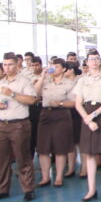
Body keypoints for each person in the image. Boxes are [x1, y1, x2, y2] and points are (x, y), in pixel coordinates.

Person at [0, 52, 38, 202]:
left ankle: (28, 189)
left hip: (19, 124)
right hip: (1, 124)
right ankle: (2, 189)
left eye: (10, 65)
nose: (7, 68)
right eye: (5, 65)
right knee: (2, 159)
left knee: (23, 158)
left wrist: (12, 94)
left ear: (17, 65)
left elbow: (32, 100)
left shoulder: (24, 81)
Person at [73, 52, 101, 202]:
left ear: (100, 62)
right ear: (86, 62)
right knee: (89, 154)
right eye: (90, 59)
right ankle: (91, 190)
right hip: (86, 115)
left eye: (96, 59)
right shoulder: (82, 80)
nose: (93, 61)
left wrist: (93, 116)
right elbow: (78, 103)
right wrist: (87, 119)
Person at [34, 57, 75, 187]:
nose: (54, 68)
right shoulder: (45, 81)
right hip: (45, 114)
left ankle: (58, 177)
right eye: (52, 66)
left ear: (63, 69)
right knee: (43, 148)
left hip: (61, 114)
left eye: (57, 67)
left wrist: (61, 103)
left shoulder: (69, 83)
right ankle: (45, 177)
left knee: (60, 147)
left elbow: (74, 102)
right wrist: (42, 76)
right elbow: (34, 92)